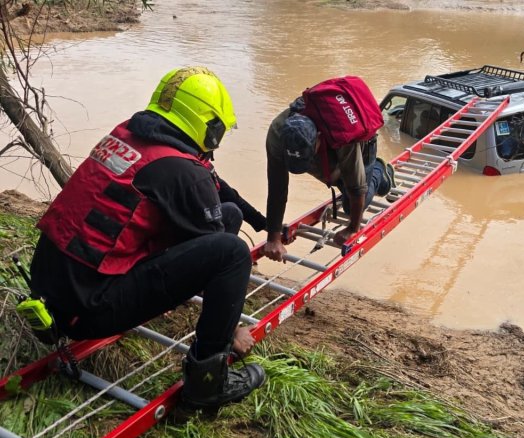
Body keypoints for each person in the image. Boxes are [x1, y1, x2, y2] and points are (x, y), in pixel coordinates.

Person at [29, 66, 266, 409]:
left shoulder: (127, 135)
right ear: (209, 127)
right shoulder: (183, 171)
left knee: (228, 215)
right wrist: (232, 331)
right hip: (87, 308)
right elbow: (216, 246)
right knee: (232, 253)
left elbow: (213, 207)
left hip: (52, 288)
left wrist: (255, 219)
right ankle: (207, 382)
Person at [261, 98, 395, 262]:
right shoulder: (276, 134)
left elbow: (357, 187)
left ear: (318, 137)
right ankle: (352, 177)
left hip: (360, 147)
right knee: (340, 183)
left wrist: (352, 228)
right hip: (328, 156)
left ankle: (379, 170)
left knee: (350, 205)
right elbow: (277, 188)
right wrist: (273, 238)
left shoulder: (342, 134)